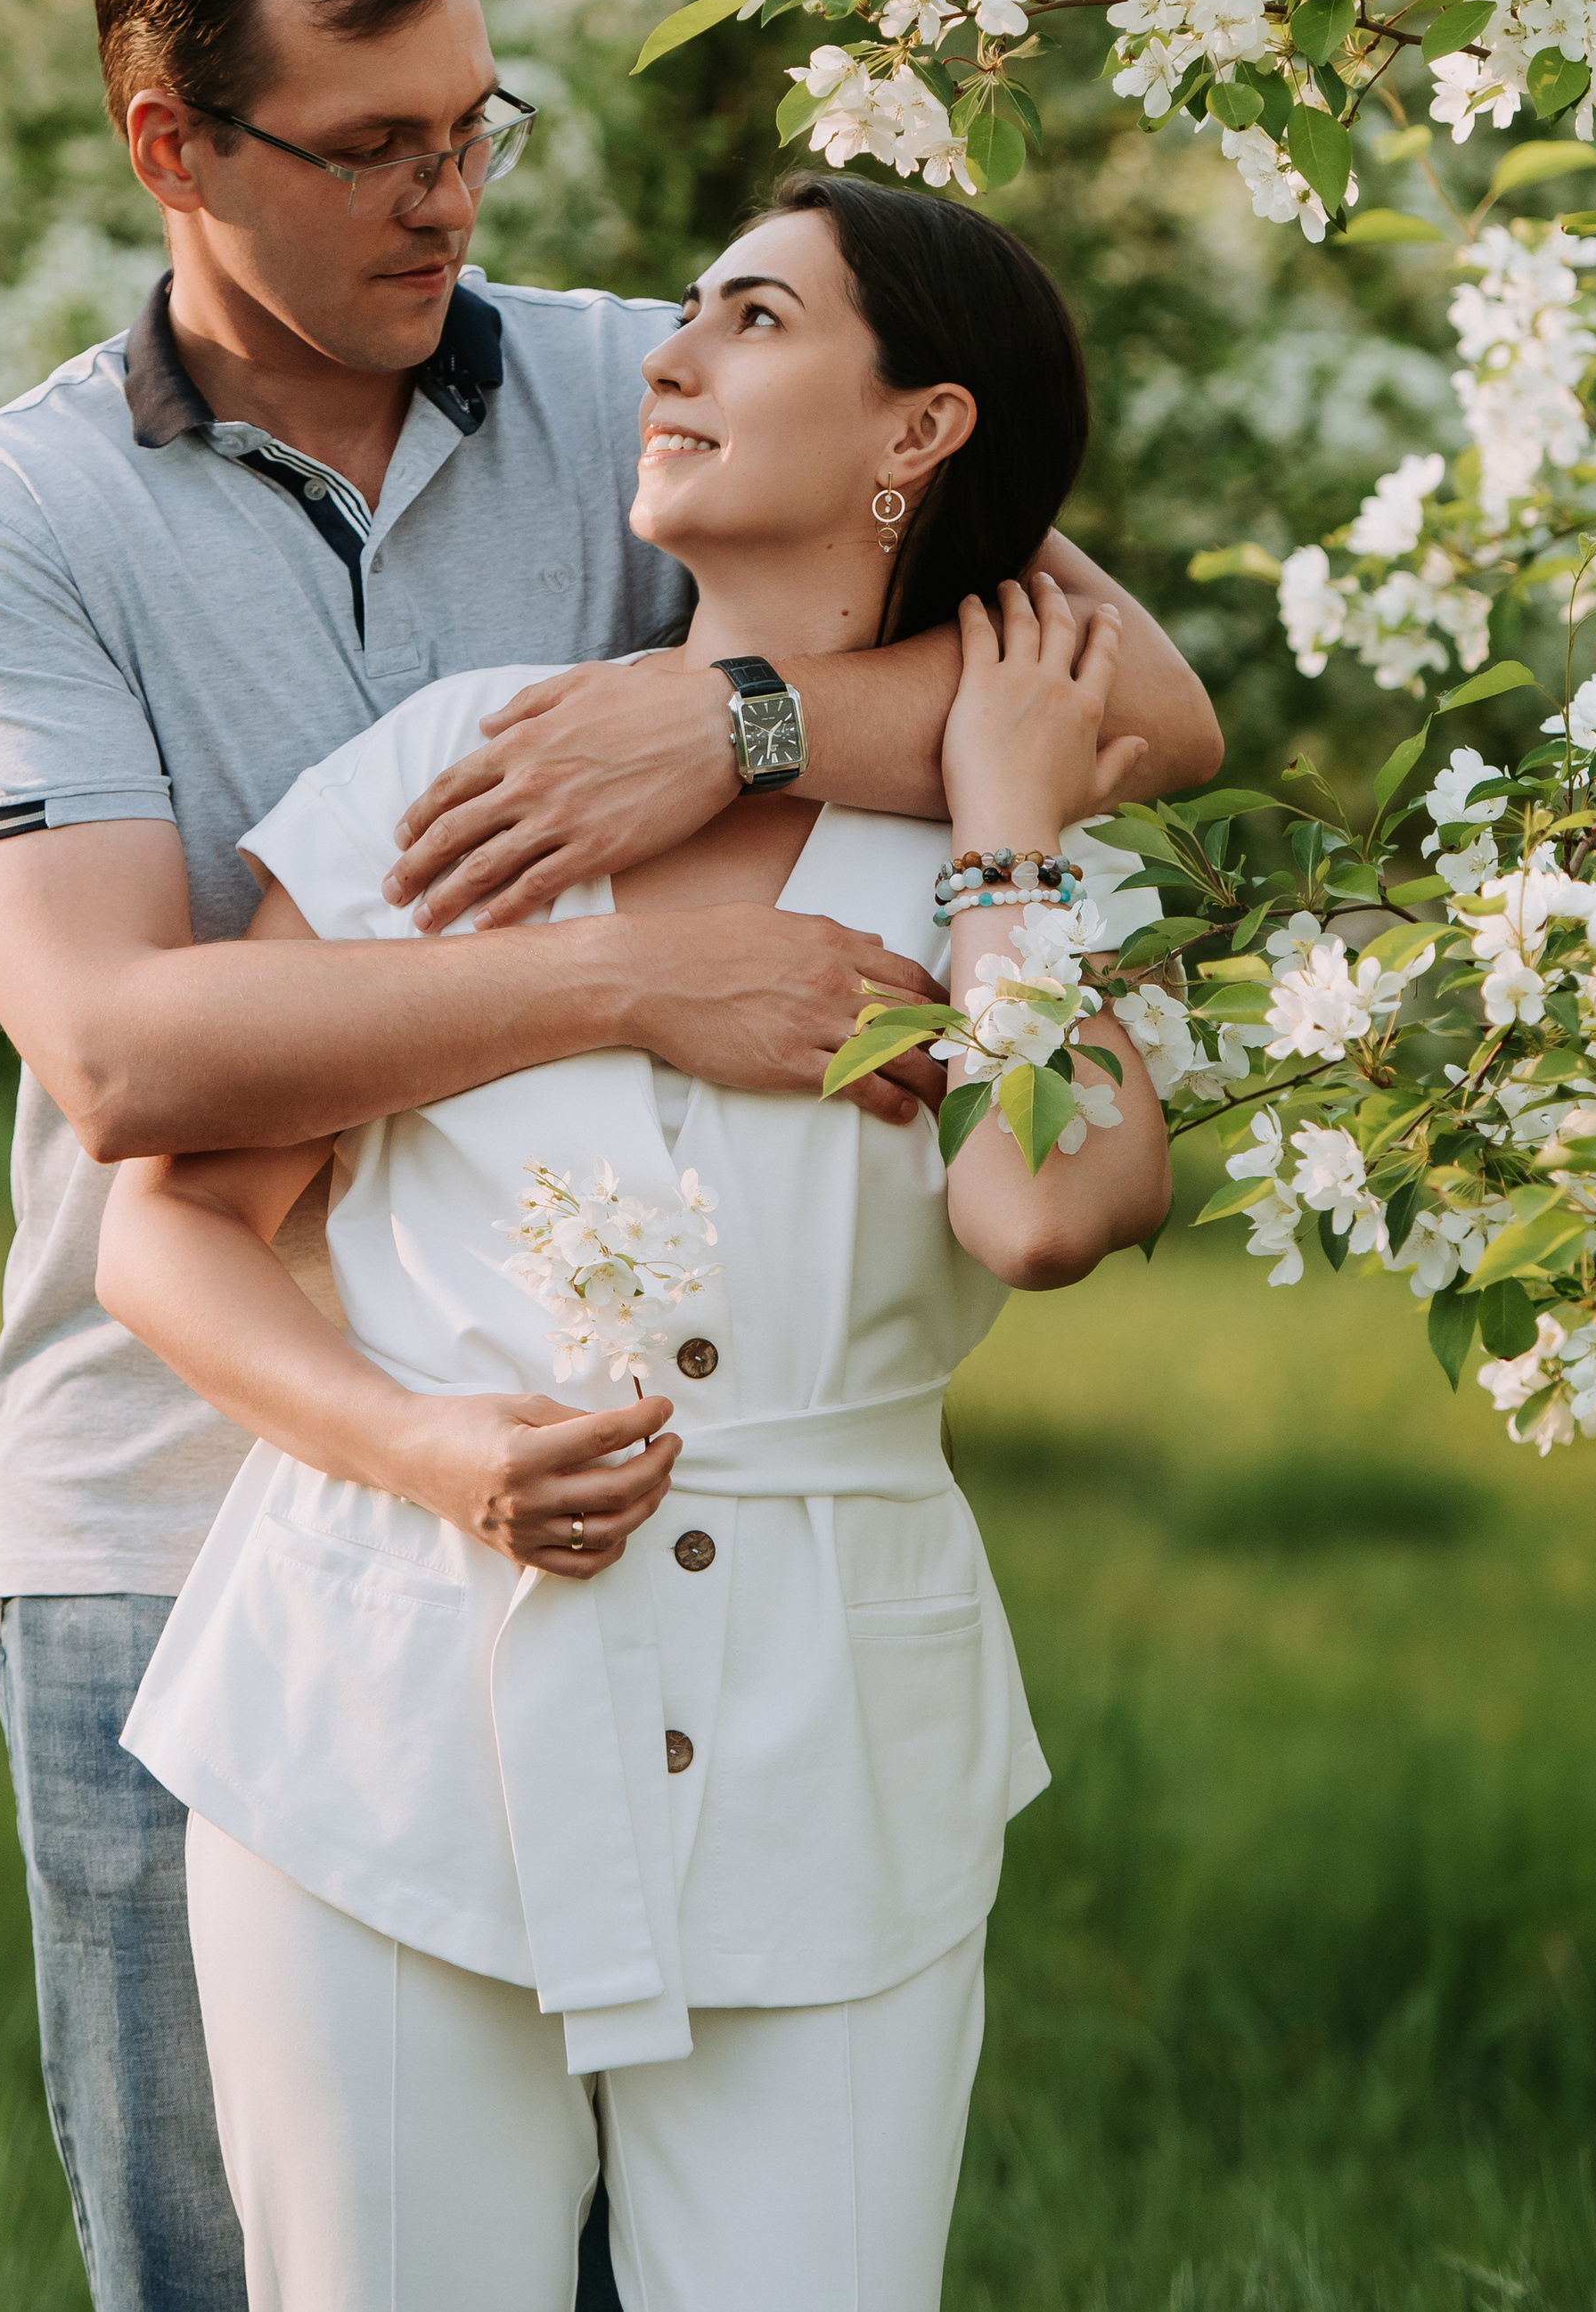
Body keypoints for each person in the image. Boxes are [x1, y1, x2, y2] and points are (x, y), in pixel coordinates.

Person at [0, 0, 1220, 2312]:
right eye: (370, 146)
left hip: (749, 1591)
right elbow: (127, 1058)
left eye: (475, 128)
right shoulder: (15, 516)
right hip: (178, 1509)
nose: (446, 199)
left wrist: (730, 715)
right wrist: (626, 978)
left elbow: (1134, 701)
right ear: (174, 142)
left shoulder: (637, 382)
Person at [102, 175, 1175, 2311]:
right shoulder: (457, 771)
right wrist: (419, 1451)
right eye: (684, 317)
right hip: (381, 1709)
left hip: (836, 1749)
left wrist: (1002, 845)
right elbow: (174, 1231)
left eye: (753, 321)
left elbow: (1041, 1213)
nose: (667, 362)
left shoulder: (1020, 868)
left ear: (917, 432)